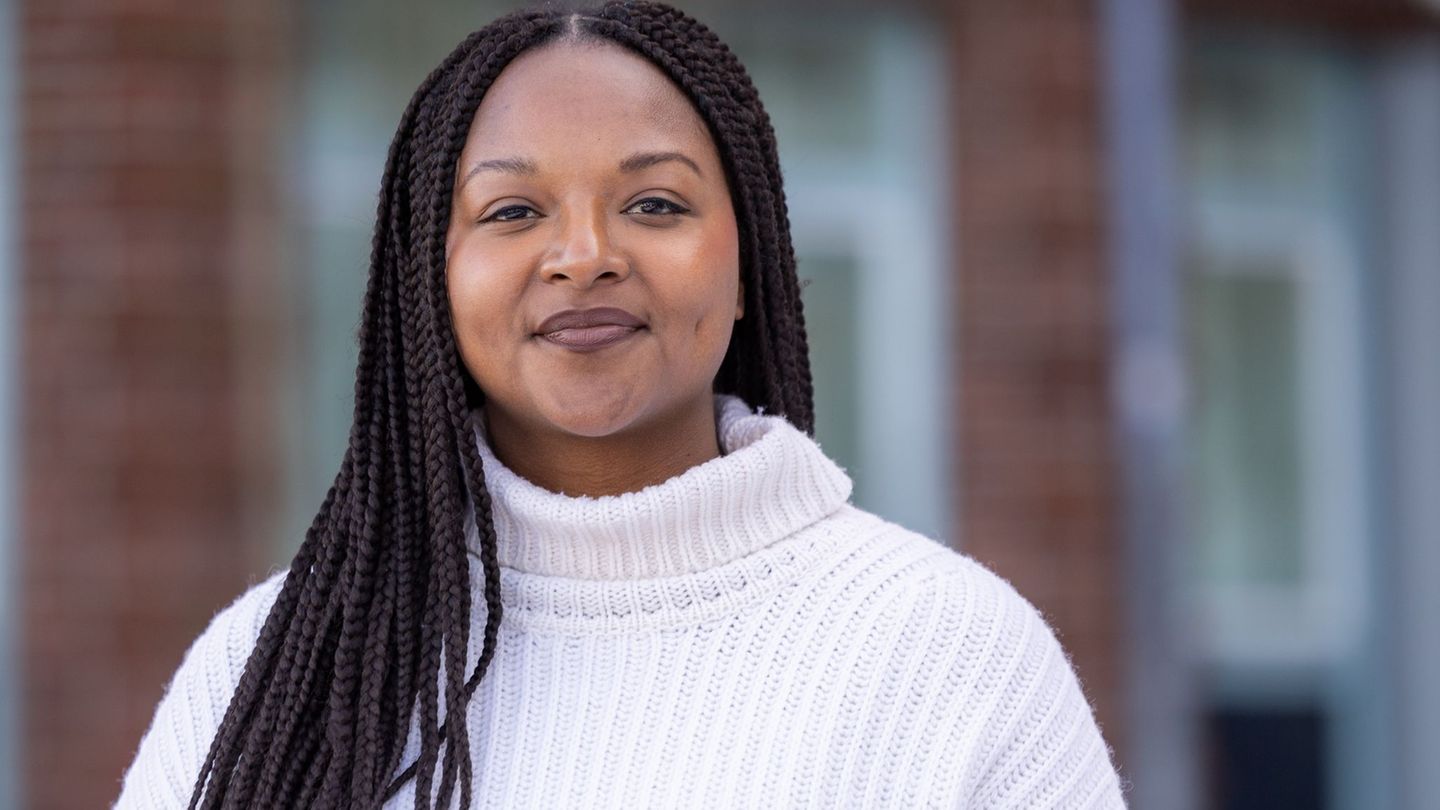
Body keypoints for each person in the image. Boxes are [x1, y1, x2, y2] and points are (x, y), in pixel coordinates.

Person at [115, 2, 1129, 807]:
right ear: (432, 282)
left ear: (748, 266)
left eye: (656, 204)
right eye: (513, 212)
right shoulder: (275, 666)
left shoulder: (951, 653)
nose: (586, 257)